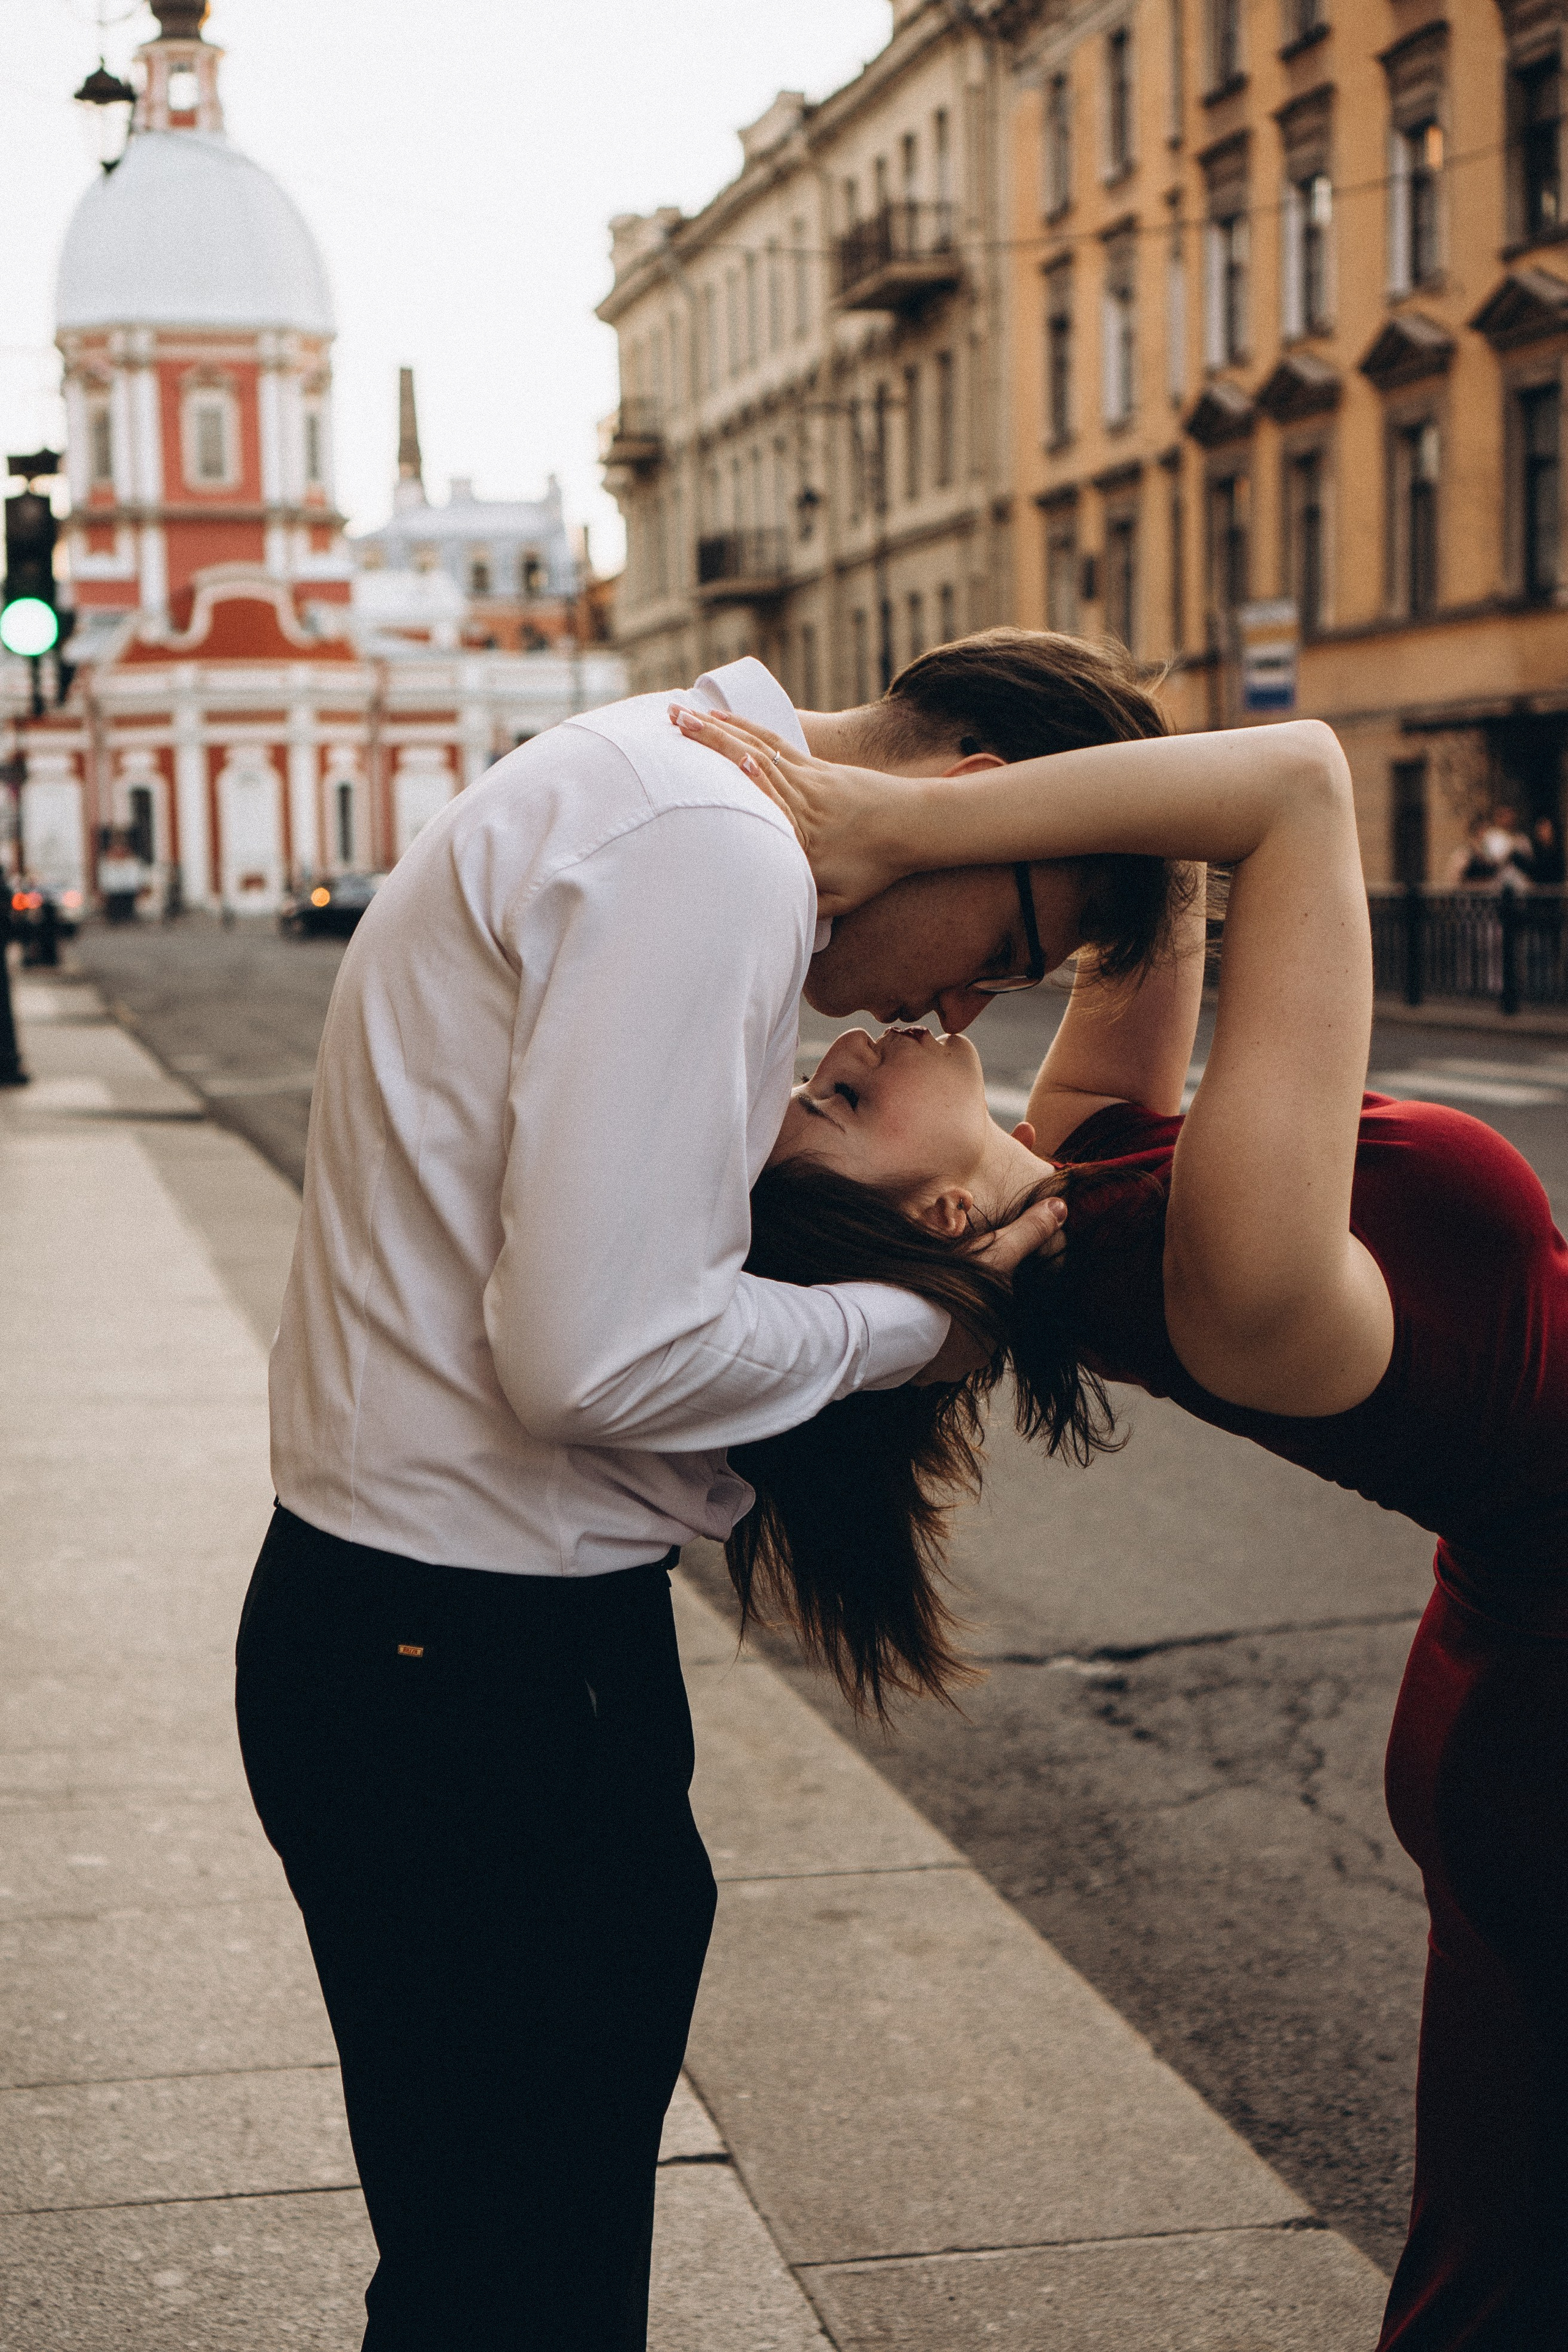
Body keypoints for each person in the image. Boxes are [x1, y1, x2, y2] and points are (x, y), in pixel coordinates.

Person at [237, 638, 1181, 2351]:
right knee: (518, 2287)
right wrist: (925, 1327)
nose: (960, 1011)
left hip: (425, 1642)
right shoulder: (710, 842)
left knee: (488, 2262)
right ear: (969, 804)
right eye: (1012, 954)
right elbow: (599, 1358)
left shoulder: (656, 785)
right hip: (475, 1671)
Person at [679, 685, 1568, 2348]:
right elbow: (1295, 786)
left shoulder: (1085, 1175)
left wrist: (948, 791)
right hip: (1547, 1715)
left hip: (1507, 1683)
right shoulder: (1225, 1277)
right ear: (940, 1214)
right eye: (841, 1105)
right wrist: (894, 827)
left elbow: (1162, 846)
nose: (847, 1048)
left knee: (1508, 2258)